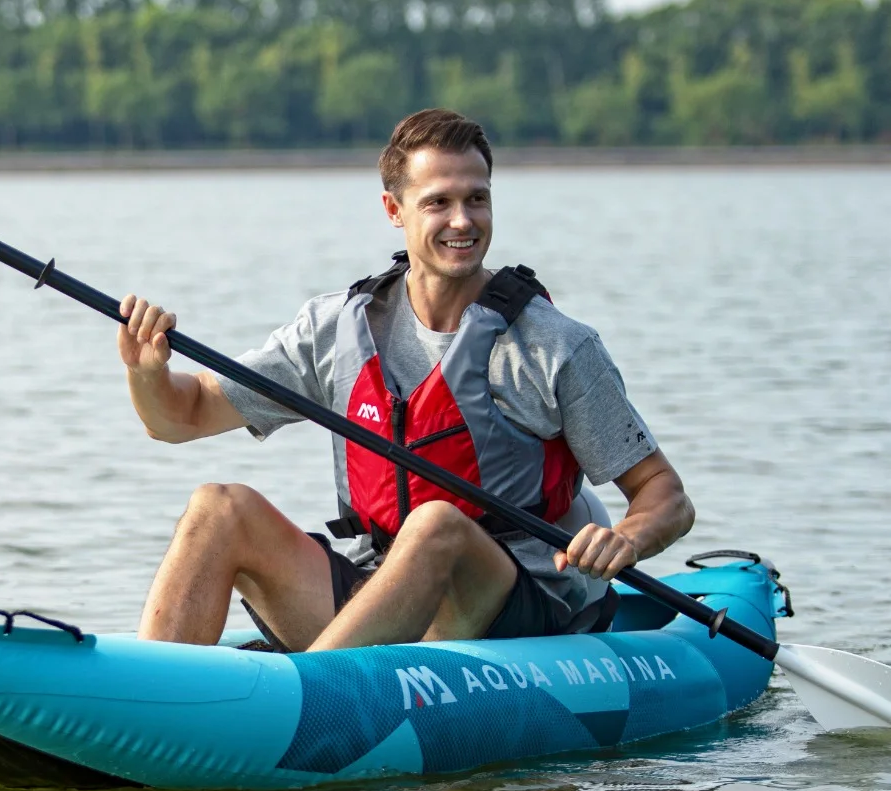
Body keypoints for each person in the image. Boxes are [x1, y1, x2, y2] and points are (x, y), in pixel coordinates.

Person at [118, 108, 694, 651]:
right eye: (438, 202)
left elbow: (664, 496)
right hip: (381, 592)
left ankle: (316, 697)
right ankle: (141, 697)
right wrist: (146, 373)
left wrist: (628, 537)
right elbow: (180, 416)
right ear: (394, 210)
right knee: (219, 507)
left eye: (477, 199)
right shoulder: (334, 330)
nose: (462, 221)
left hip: (512, 609)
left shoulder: (553, 345)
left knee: (436, 525)